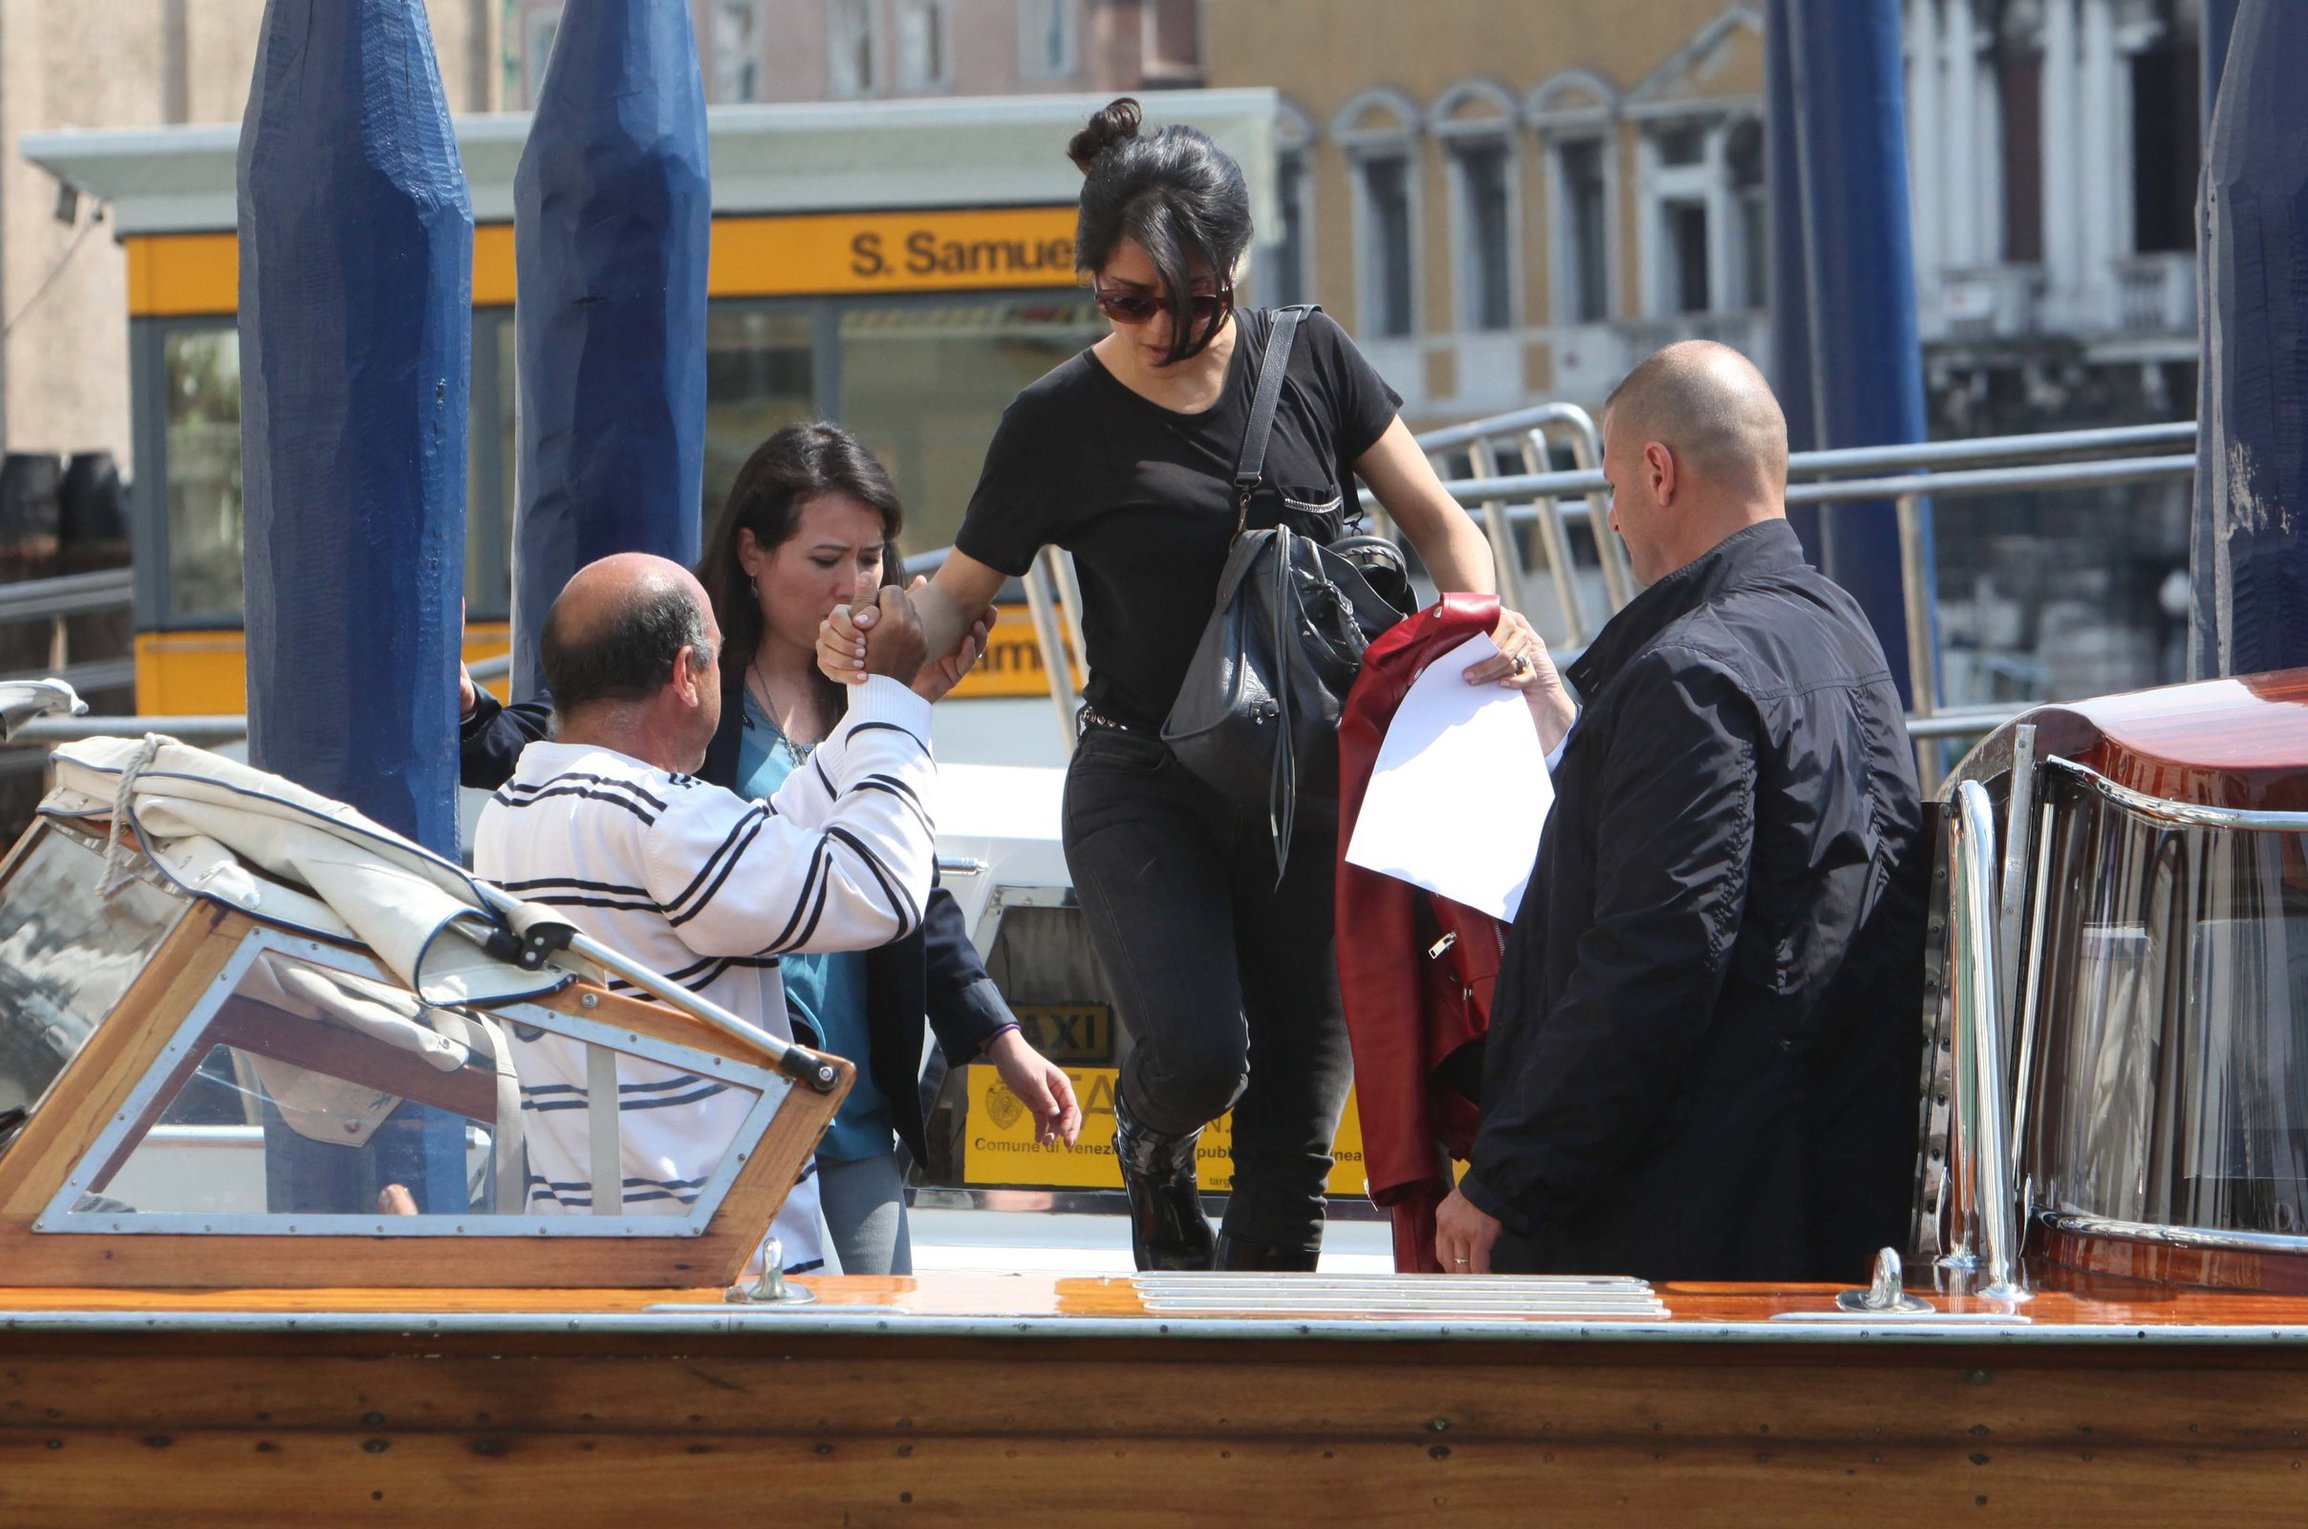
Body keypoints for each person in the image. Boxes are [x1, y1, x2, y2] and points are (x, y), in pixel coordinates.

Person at [820, 98, 1556, 1272]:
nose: (1159, 328)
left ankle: (1264, 1398)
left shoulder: (1310, 357)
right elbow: (956, 595)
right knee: (1204, 1055)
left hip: (1317, 790)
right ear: (1094, 285)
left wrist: (1496, 625)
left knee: (1294, 1145)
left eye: (1192, 299)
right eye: (1124, 301)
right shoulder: (1056, 419)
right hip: (1144, 780)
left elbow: (1439, 522)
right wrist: (872, 635)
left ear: (1238, 269)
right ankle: (1150, 1142)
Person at [461, 424, 1080, 1275]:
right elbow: (880, 888)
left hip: (652, 1199)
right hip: (717, 1225)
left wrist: (885, 709)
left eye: (870, 559)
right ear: (688, 671)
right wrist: (895, 705)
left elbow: (764, 835)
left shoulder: (524, 804)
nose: (854, 583)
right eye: (828, 557)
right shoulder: (660, 814)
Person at [1433, 341, 1927, 1284]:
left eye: (1613, 485)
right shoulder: (1843, 633)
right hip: (1832, 1190)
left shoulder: (1686, 675)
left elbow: (1655, 960)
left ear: (1658, 473)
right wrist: (1569, 720)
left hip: (1689, 1230)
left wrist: (1505, 1180)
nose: (1612, 516)